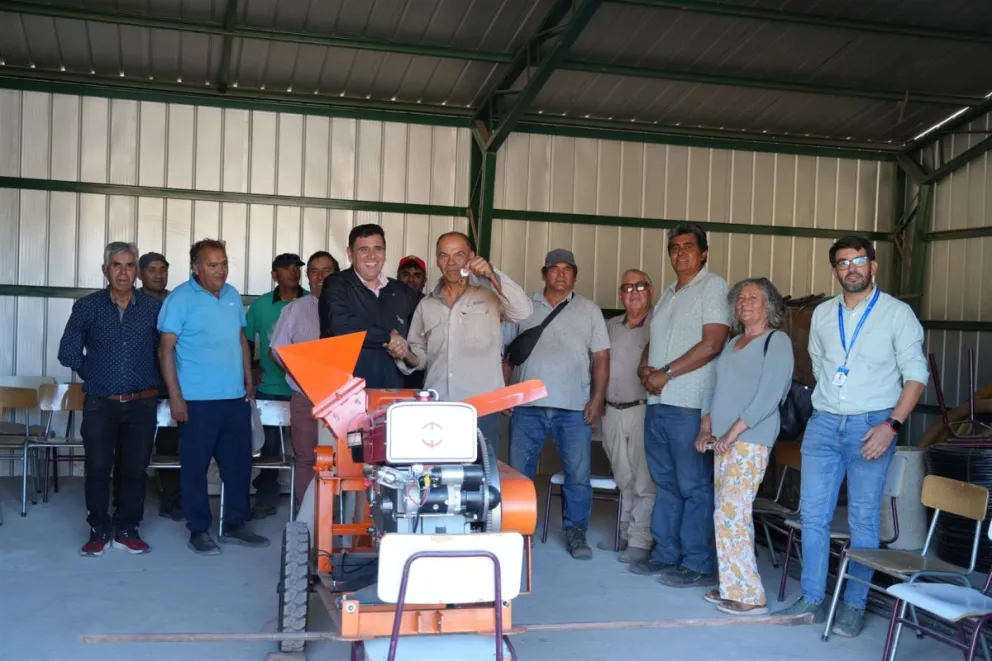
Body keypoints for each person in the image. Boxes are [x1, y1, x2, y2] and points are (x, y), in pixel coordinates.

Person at [777, 236, 927, 638]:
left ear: (873, 266)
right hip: (825, 422)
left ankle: (855, 605)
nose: (851, 268)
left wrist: (891, 425)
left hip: (873, 425)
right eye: (843, 262)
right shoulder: (824, 314)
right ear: (835, 270)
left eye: (859, 260)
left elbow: (916, 377)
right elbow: (822, 366)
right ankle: (811, 597)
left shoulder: (897, 314)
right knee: (813, 515)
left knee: (862, 518)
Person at [157, 238, 269, 555]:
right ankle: (198, 530)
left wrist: (249, 381)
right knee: (195, 467)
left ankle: (234, 525)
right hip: (197, 402)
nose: (220, 270)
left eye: (223, 263)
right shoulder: (180, 299)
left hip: (234, 399)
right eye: (212, 264)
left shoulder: (232, 296)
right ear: (195, 267)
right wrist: (176, 398)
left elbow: (241, 340)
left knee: (238, 466)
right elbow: (165, 350)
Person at [634, 223, 730, 587]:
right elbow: (655, 340)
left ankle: (698, 562)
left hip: (688, 404)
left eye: (689, 246)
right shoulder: (669, 293)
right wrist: (646, 367)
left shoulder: (714, 287)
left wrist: (667, 373)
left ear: (703, 252)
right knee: (666, 483)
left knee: (693, 485)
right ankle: (666, 554)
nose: (680, 253)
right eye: (674, 247)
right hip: (658, 402)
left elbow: (713, 343)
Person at [695, 277, 793, 615]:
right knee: (725, 513)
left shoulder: (776, 342)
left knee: (731, 512)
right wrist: (706, 427)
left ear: (770, 306)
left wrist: (734, 432)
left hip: (750, 440)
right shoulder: (733, 341)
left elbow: (770, 395)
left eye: (753, 298)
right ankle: (731, 585)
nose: (745, 303)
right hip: (723, 441)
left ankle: (750, 595)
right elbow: (714, 385)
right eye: (740, 299)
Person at [504, 248, 610, 560]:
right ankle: (518, 532)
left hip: (574, 407)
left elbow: (601, 357)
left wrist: (598, 399)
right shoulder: (523, 307)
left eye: (567, 269)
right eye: (555, 268)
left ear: (575, 276)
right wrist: (503, 392)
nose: (561, 274)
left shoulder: (589, 310)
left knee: (578, 475)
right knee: (518, 475)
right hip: (527, 406)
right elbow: (508, 355)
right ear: (544, 273)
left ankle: (576, 532)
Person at [58, 241, 162, 556]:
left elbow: (167, 351)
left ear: (137, 272)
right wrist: (95, 373)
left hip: (142, 402)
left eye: (129, 265)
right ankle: (99, 528)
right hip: (100, 402)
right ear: (106, 269)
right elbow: (67, 352)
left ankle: (128, 527)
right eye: (117, 265)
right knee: (99, 467)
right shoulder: (87, 306)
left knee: (134, 468)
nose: (123, 272)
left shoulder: (153, 308)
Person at [387, 232, 532, 443]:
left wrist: (493, 275)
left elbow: (523, 311)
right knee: (438, 475)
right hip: (438, 408)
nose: (451, 263)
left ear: (471, 257)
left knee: (482, 472)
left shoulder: (491, 295)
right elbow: (421, 356)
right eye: (444, 256)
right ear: (437, 260)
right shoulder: (427, 305)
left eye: (459, 255)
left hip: (482, 407)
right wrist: (404, 352)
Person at [269, 251, 339, 510]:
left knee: (342, 458)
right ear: (307, 277)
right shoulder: (295, 309)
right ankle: (307, 516)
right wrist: (303, 375)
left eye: (326, 271)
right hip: (304, 396)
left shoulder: (349, 306)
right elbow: (277, 351)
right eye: (314, 271)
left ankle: (335, 516)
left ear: (337, 274)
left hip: (343, 398)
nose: (320, 277)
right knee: (307, 457)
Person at [318, 224, 421, 389]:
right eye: (363, 249)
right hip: (345, 396)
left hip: (391, 394)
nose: (372, 256)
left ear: (385, 254)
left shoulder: (402, 292)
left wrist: (406, 351)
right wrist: (387, 338)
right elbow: (340, 324)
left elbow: (420, 338)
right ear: (350, 254)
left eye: (378, 249)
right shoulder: (336, 284)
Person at [244, 253, 307, 518]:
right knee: (269, 448)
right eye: (286, 268)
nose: (293, 272)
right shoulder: (260, 306)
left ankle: (311, 498)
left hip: (307, 387)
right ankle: (266, 496)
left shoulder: (312, 301)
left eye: (296, 268)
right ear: (274, 275)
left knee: (309, 448)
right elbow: (246, 341)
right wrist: (254, 366)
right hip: (271, 385)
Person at [600, 270, 655, 563]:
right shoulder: (610, 327)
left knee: (644, 480)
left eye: (640, 286)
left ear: (651, 290)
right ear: (620, 294)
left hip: (643, 409)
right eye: (627, 288)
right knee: (623, 478)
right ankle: (624, 533)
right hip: (611, 411)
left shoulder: (659, 325)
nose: (633, 292)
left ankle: (640, 539)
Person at [135, 251, 182, 520]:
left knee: (170, 446)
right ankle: (132, 502)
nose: (158, 275)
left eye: (162, 269)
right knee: (136, 445)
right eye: (151, 269)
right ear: (141, 274)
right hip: (140, 384)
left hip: (171, 383)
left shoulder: (176, 300)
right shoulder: (133, 301)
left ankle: (170, 499)